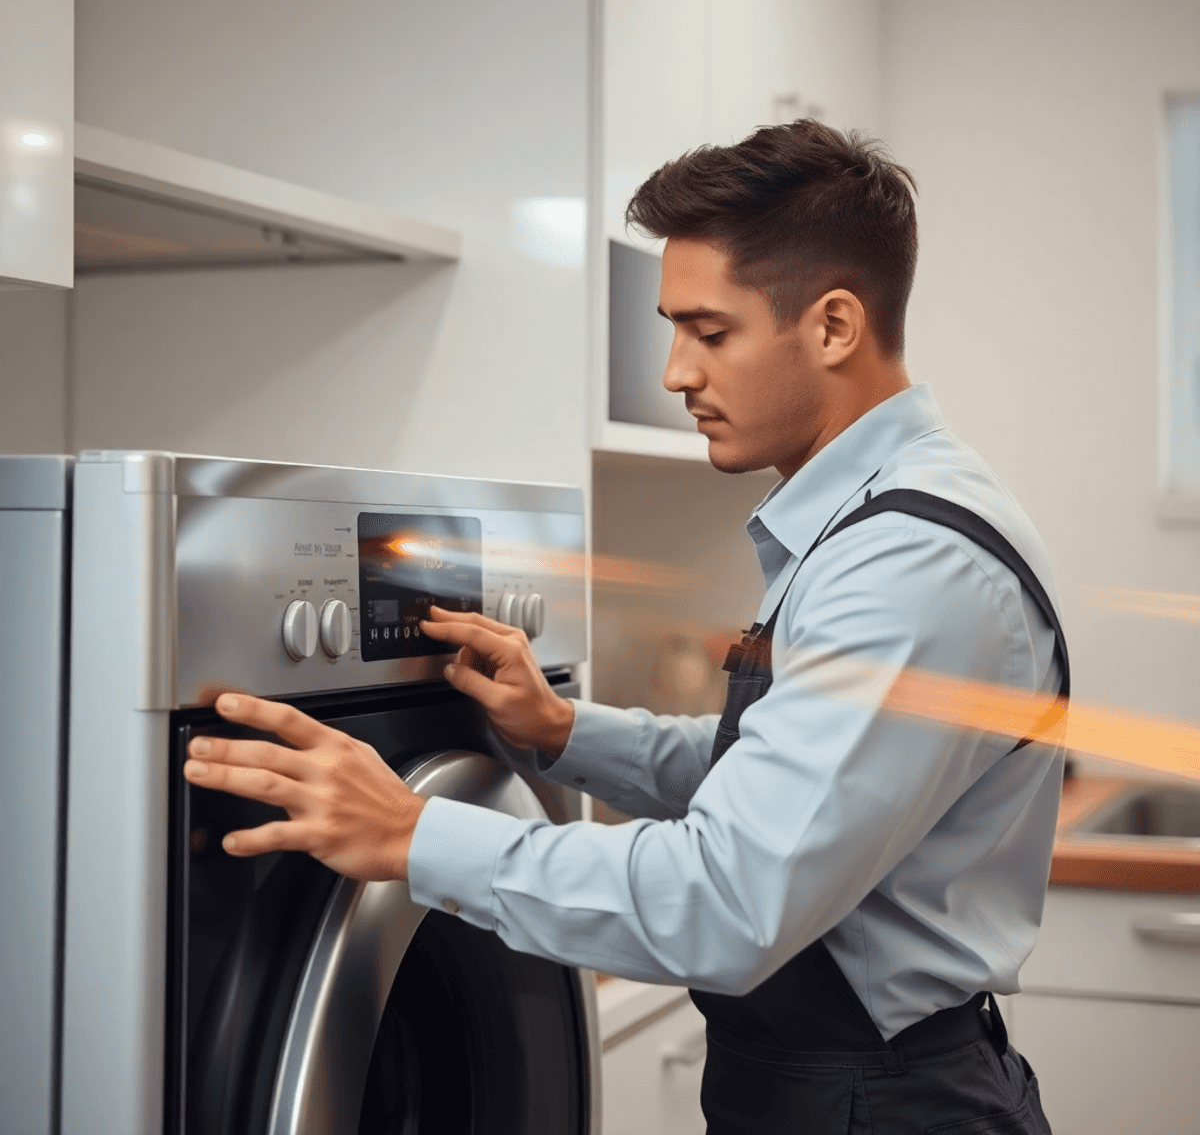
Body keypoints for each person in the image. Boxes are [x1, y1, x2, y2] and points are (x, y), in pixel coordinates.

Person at [184, 120, 1064, 1133]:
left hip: (881, 1105)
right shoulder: (870, 523)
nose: (675, 373)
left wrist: (411, 831)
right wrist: (561, 732)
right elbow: (774, 778)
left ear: (831, 327)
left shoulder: (908, 565)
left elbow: (728, 900)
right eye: (672, 329)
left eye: (710, 331)